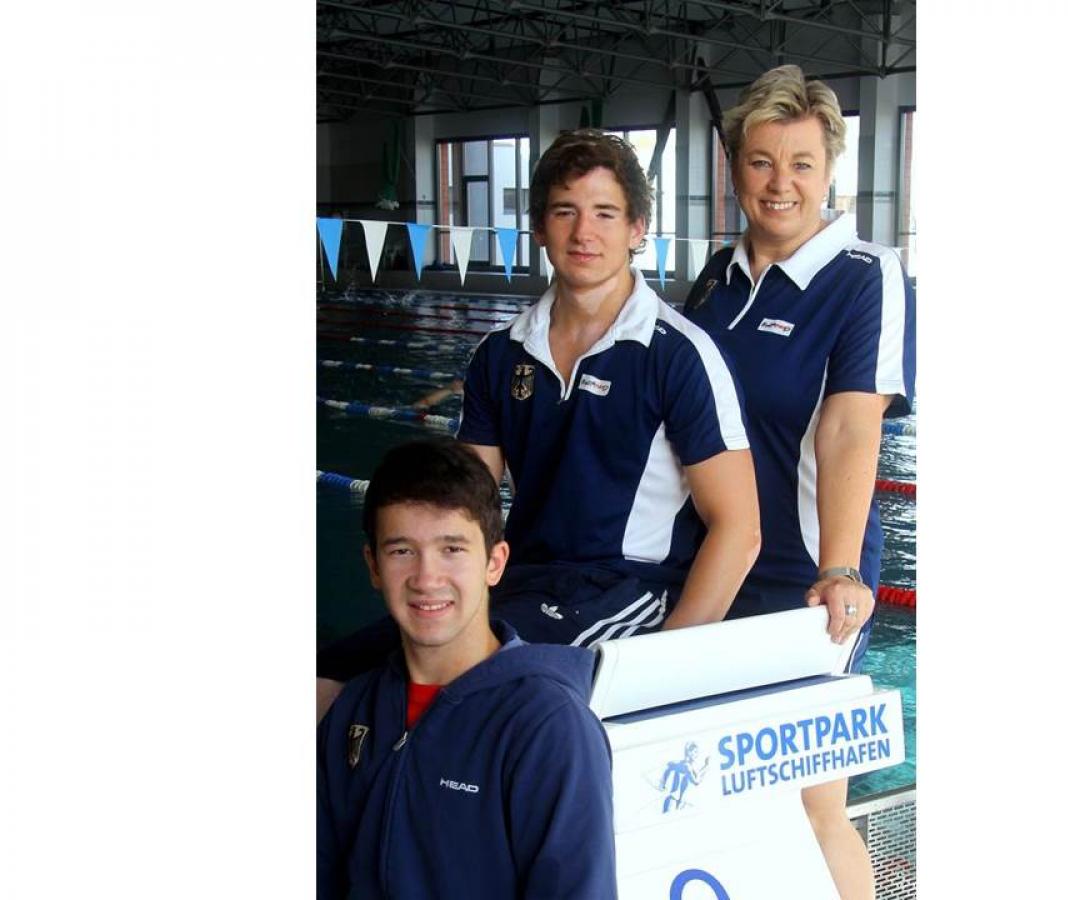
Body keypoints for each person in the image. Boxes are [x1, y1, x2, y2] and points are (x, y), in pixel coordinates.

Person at [317, 129, 760, 698]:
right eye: (565, 211)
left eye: (605, 213)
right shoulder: (500, 355)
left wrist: (665, 668)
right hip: (521, 584)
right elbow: (465, 504)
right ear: (539, 227)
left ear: (636, 230)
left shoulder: (677, 355)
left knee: (459, 683)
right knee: (330, 676)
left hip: (628, 591)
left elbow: (740, 529)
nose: (584, 233)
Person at [684, 65, 916, 900]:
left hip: (808, 580)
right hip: (713, 569)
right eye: (759, 161)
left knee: (814, 803)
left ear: (830, 170)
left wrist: (843, 566)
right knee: (710, 790)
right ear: (735, 169)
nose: (780, 184)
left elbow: (854, 424)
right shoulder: (717, 277)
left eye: (802, 163)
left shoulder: (864, 274)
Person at [317, 438, 617, 899]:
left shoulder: (547, 727)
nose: (426, 578)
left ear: (495, 563)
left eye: (452, 549)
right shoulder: (355, 710)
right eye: (401, 551)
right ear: (373, 566)